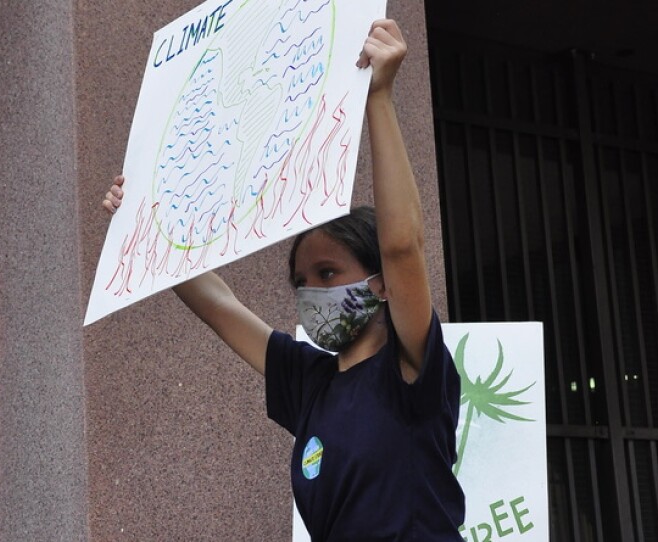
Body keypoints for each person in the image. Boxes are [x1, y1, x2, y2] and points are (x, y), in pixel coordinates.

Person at [103, 18, 464, 541]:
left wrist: (379, 98)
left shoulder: (412, 370)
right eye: (301, 280)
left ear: (382, 283)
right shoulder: (309, 383)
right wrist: (141, 217)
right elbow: (219, 306)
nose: (312, 290)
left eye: (328, 272)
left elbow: (403, 245)